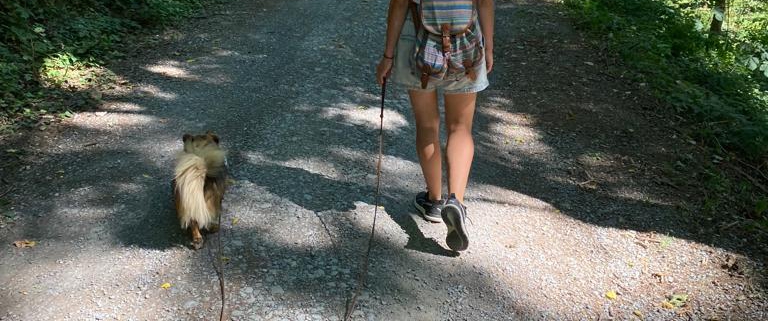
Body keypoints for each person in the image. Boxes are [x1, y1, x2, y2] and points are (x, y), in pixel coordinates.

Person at [375, 0, 494, 252]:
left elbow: (398, 4)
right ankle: (456, 202)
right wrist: (490, 47)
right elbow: (484, 2)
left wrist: (388, 56)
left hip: (415, 40)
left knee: (427, 124)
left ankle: (435, 201)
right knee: (460, 128)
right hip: (466, 42)